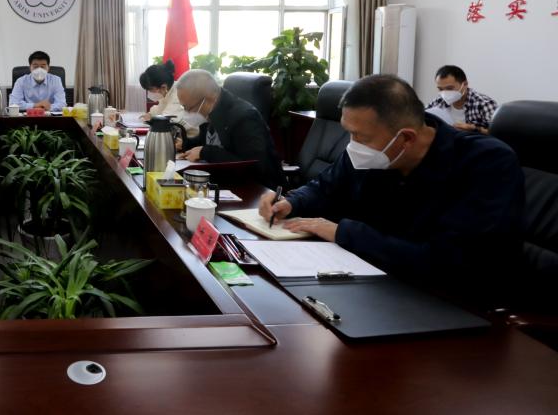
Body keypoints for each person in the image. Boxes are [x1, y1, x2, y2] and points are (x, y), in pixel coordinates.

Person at [260, 75, 523, 295]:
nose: (353, 145)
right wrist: (292, 202)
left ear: (406, 138)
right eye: (349, 133)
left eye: (360, 137)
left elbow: (447, 263)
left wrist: (344, 232)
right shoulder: (374, 148)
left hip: (449, 302)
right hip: (372, 282)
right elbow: (325, 187)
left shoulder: (486, 163)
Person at [174, 69, 284, 189]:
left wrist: (205, 152)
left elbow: (253, 166)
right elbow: (208, 140)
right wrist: (185, 144)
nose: (187, 113)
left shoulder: (244, 117)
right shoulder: (212, 113)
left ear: (208, 98)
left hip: (258, 191)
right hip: (223, 183)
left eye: (189, 108)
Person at [425, 65, 498, 134]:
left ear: (465, 84)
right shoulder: (438, 102)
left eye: (449, 88)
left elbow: (499, 134)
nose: (444, 93)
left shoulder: (484, 103)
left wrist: (475, 129)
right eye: (440, 89)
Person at [138, 60, 198, 138]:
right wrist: (150, 114)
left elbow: (165, 120)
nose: (150, 93)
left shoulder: (179, 93)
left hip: (192, 139)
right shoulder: (169, 92)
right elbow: (161, 108)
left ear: (163, 87)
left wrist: (151, 118)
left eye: (151, 89)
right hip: (180, 136)